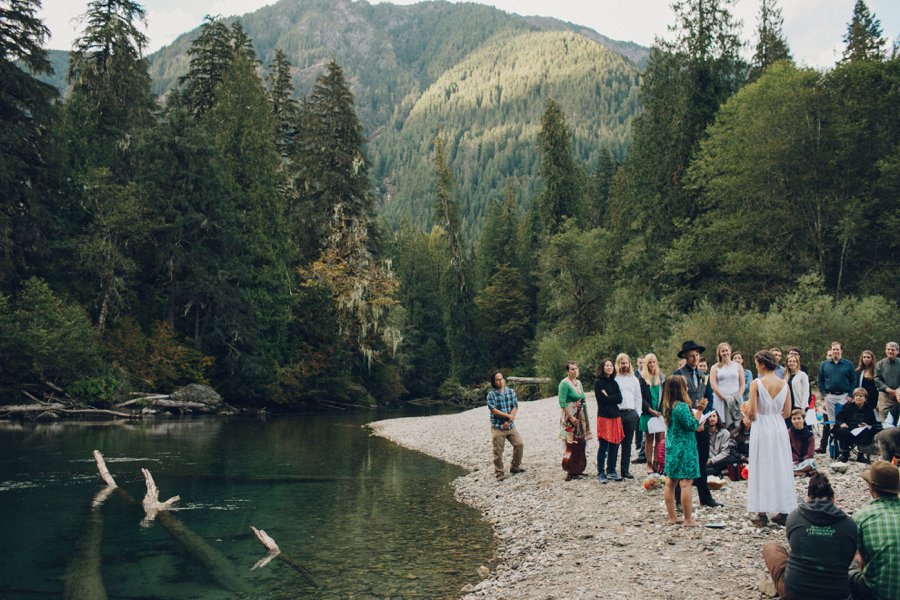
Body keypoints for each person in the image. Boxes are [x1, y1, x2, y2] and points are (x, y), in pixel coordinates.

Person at [762, 473, 857, 600]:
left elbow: (796, 547)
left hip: (796, 593)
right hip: (837, 595)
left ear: (808, 498)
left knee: (771, 547)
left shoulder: (794, 517)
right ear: (833, 499)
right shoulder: (848, 524)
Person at [747, 350, 796, 527]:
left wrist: (747, 415)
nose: (755, 367)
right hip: (778, 425)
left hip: (761, 424)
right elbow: (788, 412)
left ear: (762, 364)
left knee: (762, 463)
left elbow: (752, 412)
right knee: (780, 463)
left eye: (756, 363)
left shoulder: (756, 383)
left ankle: (761, 512)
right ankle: (783, 510)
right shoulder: (784, 383)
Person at [673, 341, 722, 507]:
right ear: (685, 357)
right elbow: (676, 400)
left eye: (697, 355)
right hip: (686, 423)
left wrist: (703, 418)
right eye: (691, 356)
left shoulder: (703, 374)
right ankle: (678, 498)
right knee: (684, 460)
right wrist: (693, 418)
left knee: (701, 459)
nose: (695, 358)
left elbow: (709, 397)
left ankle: (705, 497)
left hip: (702, 422)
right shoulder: (678, 374)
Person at [850, 461, 900, 600]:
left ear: (872, 487)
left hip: (877, 594)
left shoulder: (862, 517)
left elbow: (860, 558)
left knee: (851, 561)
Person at [662, 375, 704, 527]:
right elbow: (691, 425)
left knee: (670, 482)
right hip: (684, 448)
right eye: (685, 385)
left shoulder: (668, 405)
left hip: (672, 445)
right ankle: (688, 519)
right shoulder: (681, 406)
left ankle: (672, 517)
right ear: (680, 388)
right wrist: (699, 411)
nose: (687, 387)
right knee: (686, 483)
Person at [817, 341, 856, 454]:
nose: (835, 351)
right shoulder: (824, 365)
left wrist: (850, 394)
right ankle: (834, 449)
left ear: (841, 350)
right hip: (830, 396)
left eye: (837, 349)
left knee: (844, 421)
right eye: (833, 349)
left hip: (844, 396)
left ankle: (845, 448)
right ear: (831, 350)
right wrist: (824, 395)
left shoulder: (848, 364)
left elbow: (853, 380)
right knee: (832, 423)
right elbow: (820, 381)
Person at [486, 372, 525, 480]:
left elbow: (515, 405)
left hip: (510, 426)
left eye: (501, 379)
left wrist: (510, 418)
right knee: (498, 451)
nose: (500, 381)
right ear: (494, 382)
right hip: (498, 427)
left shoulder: (510, 391)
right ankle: (499, 473)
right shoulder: (491, 395)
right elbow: (493, 410)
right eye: (497, 380)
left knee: (519, 444)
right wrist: (508, 416)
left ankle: (515, 466)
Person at [594, 359, 624, 483]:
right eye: (607, 365)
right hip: (604, 417)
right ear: (603, 367)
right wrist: (611, 398)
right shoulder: (598, 382)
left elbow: (620, 399)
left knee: (615, 444)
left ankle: (611, 470)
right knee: (603, 445)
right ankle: (601, 472)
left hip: (615, 417)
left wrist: (609, 397)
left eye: (611, 365)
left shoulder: (614, 383)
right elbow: (602, 400)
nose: (609, 367)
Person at [559, 361, 590, 480]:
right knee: (570, 442)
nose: (575, 370)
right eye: (572, 369)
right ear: (567, 371)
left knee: (580, 441)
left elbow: (582, 397)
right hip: (569, 415)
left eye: (576, 368)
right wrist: (571, 417)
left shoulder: (579, 383)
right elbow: (562, 402)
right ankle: (570, 470)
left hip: (580, 414)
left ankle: (578, 468)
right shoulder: (564, 383)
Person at [614, 353, 641, 480]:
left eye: (626, 363)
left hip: (631, 413)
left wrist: (638, 413)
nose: (624, 365)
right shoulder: (614, 379)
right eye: (622, 363)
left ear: (629, 363)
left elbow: (638, 397)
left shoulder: (634, 379)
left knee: (627, 443)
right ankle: (611, 470)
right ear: (618, 364)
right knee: (614, 443)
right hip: (618, 413)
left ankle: (625, 470)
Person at [834, 388, 881, 463]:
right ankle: (844, 454)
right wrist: (842, 423)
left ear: (865, 398)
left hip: (861, 431)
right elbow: (839, 418)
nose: (858, 397)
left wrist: (866, 425)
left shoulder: (869, 409)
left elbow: (874, 423)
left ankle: (861, 455)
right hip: (848, 428)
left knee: (868, 431)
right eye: (856, 396)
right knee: (842, 431)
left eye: (860, 396)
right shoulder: (847, 406)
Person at [639, 353, 666, 475]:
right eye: (649, 362)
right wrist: (650, 410)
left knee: (660, 438)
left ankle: (657, 462)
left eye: (654, 362)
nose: (652, 364)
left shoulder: (661, 377)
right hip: (648, 412)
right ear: (646, 364)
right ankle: (649, 463)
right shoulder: (642, 378)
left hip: (659, 412)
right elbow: (641, 398)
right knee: (649, 438)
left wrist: (662, 411)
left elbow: (665, 395)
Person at [709, 342, 744, 430]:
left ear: (730, 351)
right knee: (722, 424)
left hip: (735, 399)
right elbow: (713, 384)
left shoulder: (738, 366)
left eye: (726, 350)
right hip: (721, 399)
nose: (725, 353)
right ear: (719, 353)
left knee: (737, 425)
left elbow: (743, 384)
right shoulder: (715, 367)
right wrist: (723, 397)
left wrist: (738, 396)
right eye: (723, 351)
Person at [874, 341, 900, 421]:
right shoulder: (880, 364)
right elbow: (876, 379)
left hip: (899, 394)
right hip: (885, 395)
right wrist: (888, 390)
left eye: (892, 350)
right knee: (885, 417)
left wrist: (897, 391)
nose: (890, 351)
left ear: (897, 351)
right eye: (888, 349)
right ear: (885, 350)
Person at [788, 409, 817, 476]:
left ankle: (795, 473)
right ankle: (803, 473)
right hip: (792, 460)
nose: (797, 421)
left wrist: (800, 460)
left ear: (803, 419)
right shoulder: (789, 433)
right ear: (791, 420)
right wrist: (795, 460)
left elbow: (810, 454)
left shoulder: (810, 435)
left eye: (799, 418)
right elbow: (787, 450)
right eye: (794, 419)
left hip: (804, 461)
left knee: (812, 463)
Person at [785, 353, 810, 427]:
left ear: (797, 363)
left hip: (798, 406)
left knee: (799, 427)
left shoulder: (802, 375)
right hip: (788, 407)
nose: (792, 363)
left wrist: (803, 408)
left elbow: (806, 392)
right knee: (789, 428)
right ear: (787, 363)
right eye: (790, 361)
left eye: (794, 361)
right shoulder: (785, 376)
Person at [705, 411, 733, 476]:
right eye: (709, 417)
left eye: (714, 416)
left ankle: (714, 471)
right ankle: (718, 472)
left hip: (720, 460)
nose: (712, 419)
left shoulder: (725, 433)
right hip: (707, 461)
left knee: (731, 458)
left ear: (717, 418)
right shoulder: (703, 433)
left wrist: (712, 460)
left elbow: (726, 451)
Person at [857, 350, 880, 414]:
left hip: (874, 399)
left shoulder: (877, 371)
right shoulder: (858, 371)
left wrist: (879, 402)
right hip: (863, 399)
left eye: (868, 357)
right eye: (864, 357)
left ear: (872, 359)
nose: (866, 359)